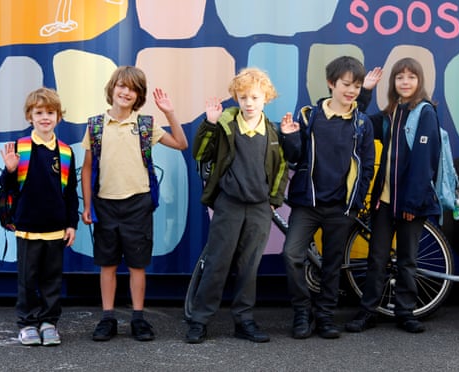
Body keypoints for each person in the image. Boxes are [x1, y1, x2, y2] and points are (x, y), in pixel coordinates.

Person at [81, 66, 188, 342]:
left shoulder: (145, 124)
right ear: (112, 88)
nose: (126, 92)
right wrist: (87, 206)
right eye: (122, 86)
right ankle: (107, 318)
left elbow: (181, 143)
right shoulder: (95, 125)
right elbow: (87, 168)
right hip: (105, 204)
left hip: (138, 204)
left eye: (133, 89)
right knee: (107, 264)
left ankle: (138, 318)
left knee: (137, 265)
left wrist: (169, 113)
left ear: (138, 95)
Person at [185, 67, 289, 344]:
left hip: (259, 209)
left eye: (254, 97)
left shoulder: (273, 132)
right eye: (243, 97)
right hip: (229, 205)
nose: (249, 103)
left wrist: (273, 202)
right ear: (236, 99)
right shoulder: (225, 125)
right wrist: (209, 122)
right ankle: (199, 320)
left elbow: (281, 169)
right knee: (217, 263)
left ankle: (244, 320)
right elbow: (200, 152)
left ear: (266, 97)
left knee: (249, 266)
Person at [280, 56, 380, 339]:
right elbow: (294, 157)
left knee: (332, 265)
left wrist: (355, 204)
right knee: (291, 255)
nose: (351, 91)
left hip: (341, 207)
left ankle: (324, 316)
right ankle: (302, 312)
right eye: (346, 84)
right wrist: (289, 137)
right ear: (330, 83)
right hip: (307, 204)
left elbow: (367, 166)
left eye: (357, 87)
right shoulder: (308, 115)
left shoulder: (362, 123)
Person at [345, 57, 441, 334]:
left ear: (419, 81)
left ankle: (406, 313)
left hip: (411, 202)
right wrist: (365, 92)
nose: (405, 82)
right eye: (400, 78)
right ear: (394, 83)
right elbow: (358, 121)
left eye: (411, 77)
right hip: (384, 201)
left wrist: (412, 202)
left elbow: (425, 163)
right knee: (377, 258)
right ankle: (367, 312)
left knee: (408, 260)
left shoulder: (425, 113)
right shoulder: (388, 114)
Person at [0, 87, 79, 346]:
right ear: (29, 116)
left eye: (51, 112)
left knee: (52, 280)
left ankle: (48, 323)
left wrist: (71, 224)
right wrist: (9, 170)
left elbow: (70, 193)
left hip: (56, 229)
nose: (45, 117)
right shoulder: (20, 148)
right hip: (28, 229)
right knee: (28, 279)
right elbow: (9, 188)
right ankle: (27, 323)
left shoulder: (65, 152)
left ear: (59, 116)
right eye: (39, 112)